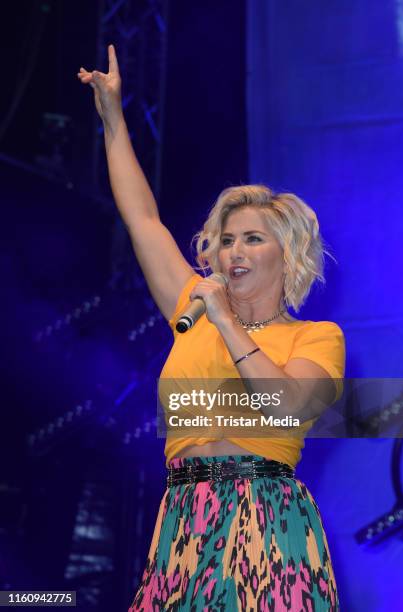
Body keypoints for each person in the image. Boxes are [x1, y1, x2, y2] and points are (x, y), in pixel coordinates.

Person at [78, 45, 345, 612]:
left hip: (268, 518)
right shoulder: (190, 310)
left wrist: (225, 320)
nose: (233, 251)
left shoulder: (316, 336)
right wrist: (113, 116)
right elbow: (143, 218)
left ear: (288, 257)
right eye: (226, 240)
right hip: (184, 518)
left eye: (252, 238)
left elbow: (285, 408)